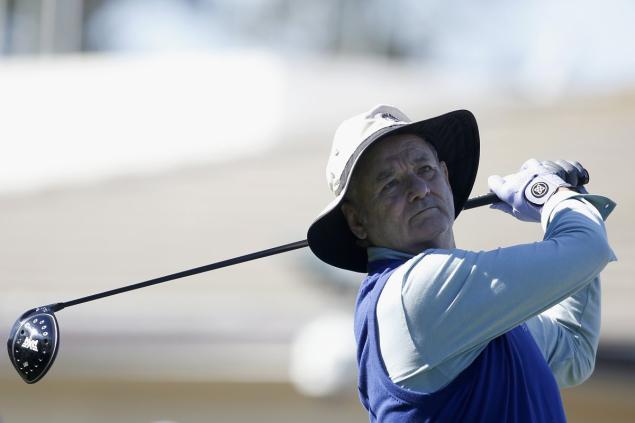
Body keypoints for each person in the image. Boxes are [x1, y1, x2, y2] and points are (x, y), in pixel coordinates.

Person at [306, 104, 616, 422]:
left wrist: (569, 203)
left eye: (424, 170)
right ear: (357, 221)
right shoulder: (417, 288)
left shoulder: (467, 305)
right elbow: (587, 249)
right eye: (390, 185)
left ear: (445, 176)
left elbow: (572, 350)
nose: (419, 190)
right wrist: (552, 197)